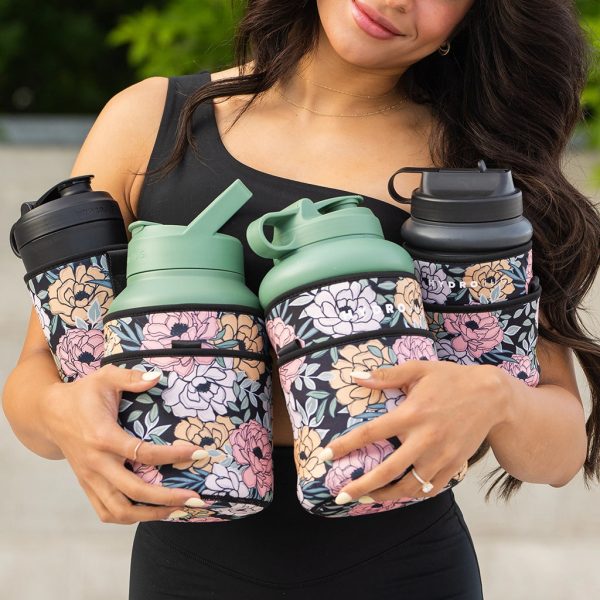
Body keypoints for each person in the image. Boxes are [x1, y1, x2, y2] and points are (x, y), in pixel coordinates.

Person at [3, 0, 600, 598]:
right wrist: (61, 414)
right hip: (184, 570)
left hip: (406, 570)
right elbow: (35, 373)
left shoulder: (474, 167)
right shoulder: (152, 122)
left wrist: (497, 397)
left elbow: (556, 453)